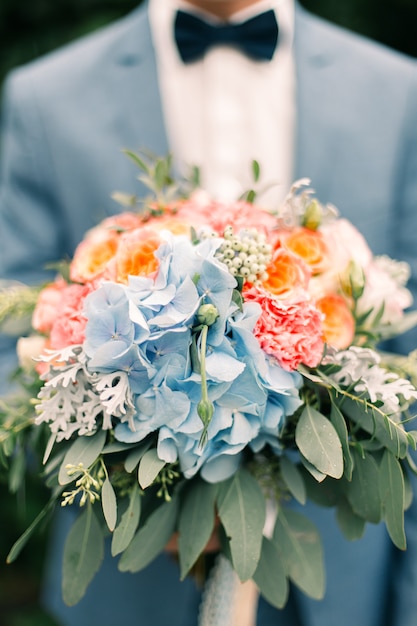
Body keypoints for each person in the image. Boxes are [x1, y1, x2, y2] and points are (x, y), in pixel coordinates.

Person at [1, 0, 417, 624]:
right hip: (133, 576)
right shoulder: (45, 97)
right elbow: (14, 339)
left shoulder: (398, 90)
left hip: (344, 577)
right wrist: (124, 475)